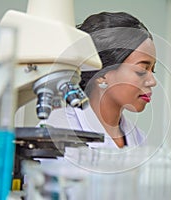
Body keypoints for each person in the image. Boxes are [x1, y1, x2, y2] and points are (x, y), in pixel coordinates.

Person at [40, 12, 157, 148]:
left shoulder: (139, 139)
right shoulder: (59, 127)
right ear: (101, 75)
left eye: (152, 70)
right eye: (142, 70)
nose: (153, 81)